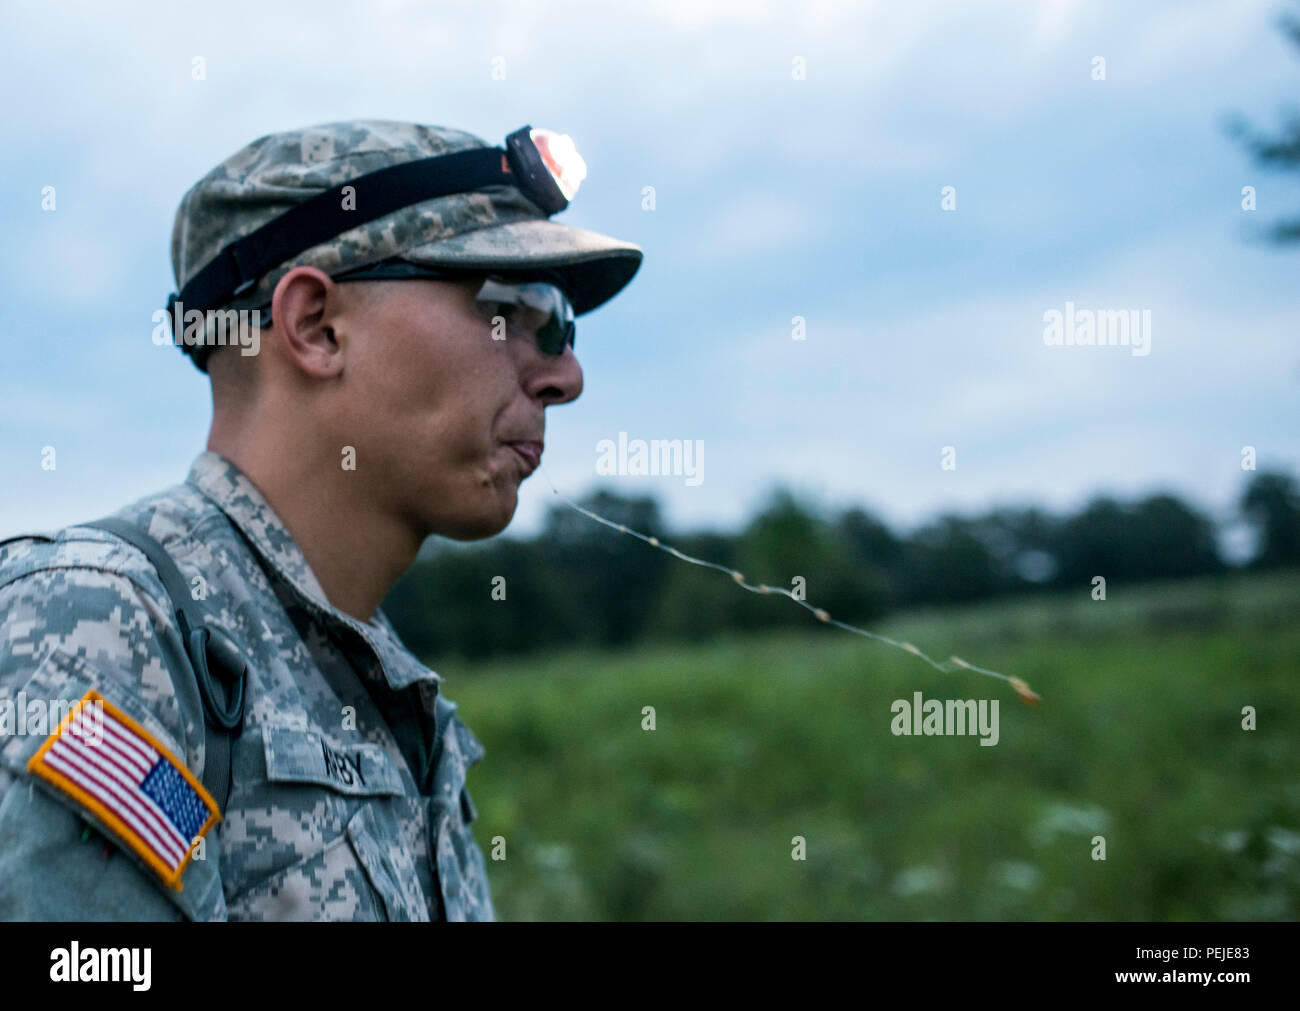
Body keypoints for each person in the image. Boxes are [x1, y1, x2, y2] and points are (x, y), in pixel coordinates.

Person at [0, 120, 643, 920]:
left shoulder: (393, 695)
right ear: (315, 324)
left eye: (564, 323)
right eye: (518, 305)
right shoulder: (101, 630)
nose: (566, 375)